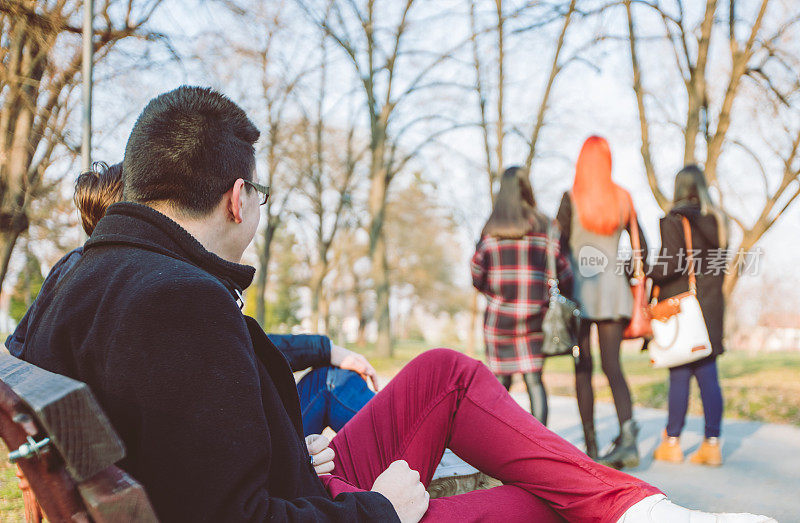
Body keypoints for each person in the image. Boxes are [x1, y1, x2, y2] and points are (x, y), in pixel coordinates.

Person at [20, 86, 773, 522]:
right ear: (238, 197)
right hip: (331, 508)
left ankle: (645, 510)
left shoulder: (81, 276)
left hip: (301, 475)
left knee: (444, 369)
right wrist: (381, 507)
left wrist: (286, 436)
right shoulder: (179, 300)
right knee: (535, 507)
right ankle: (638, 511)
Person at [5, 161, 378, 438]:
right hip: (237, 465)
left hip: (127, 468)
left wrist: (324, 347)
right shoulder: (154, 289)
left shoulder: (74, 277)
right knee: (333, 385)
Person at [557, 136, 648, 467]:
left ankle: (591, 447)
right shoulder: (623, 198)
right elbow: (644, 251)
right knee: (614, 367)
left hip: (581, 294)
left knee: (583, 368)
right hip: (615, 293)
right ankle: (628, 441)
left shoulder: (570, 198)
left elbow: (558, 249)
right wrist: (619, 271)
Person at [471, 166, 572, 425]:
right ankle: (541, 445)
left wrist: (495, 293)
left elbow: (476, 273)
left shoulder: (490, 228)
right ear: (527, 187)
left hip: (498, 319)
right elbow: (562, 268)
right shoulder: (546, 225)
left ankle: (496, 443)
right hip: (534, 316)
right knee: (534, 380)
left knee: (499, 385)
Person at [649, 165, 728, 466]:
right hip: (710, 307)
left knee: (679, 374)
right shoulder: (718, 220)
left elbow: (670, 265)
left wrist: (639, 269)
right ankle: (712, 445)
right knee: (709, 376)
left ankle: (672, 442)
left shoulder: (676, 219)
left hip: (683, 308)